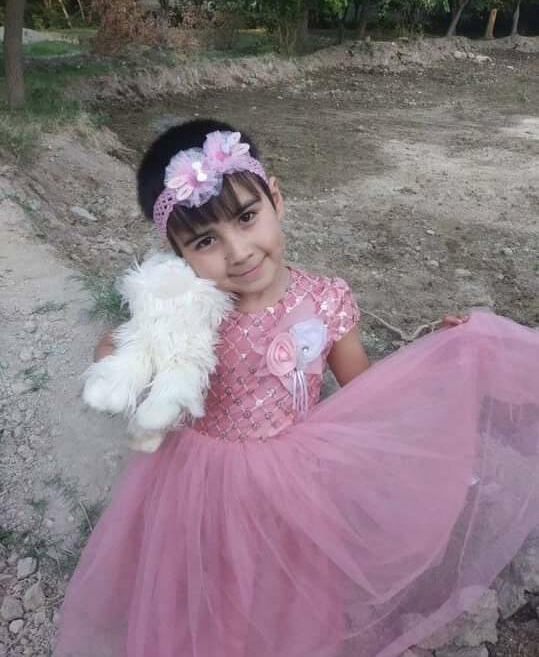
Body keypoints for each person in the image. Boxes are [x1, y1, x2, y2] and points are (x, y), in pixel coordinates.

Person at [56, 119, 539, 657]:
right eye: (206, 241)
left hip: (296, 484)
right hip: (202, 482)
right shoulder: (188, 310)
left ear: (275, 198)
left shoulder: (327, 300)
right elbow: (120, 345)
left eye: (247, 217)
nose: (238, 251)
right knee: (210, 580)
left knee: (291, 584)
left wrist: (439, 354)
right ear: (178, 254)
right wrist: (119, 358)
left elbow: (366, 390)